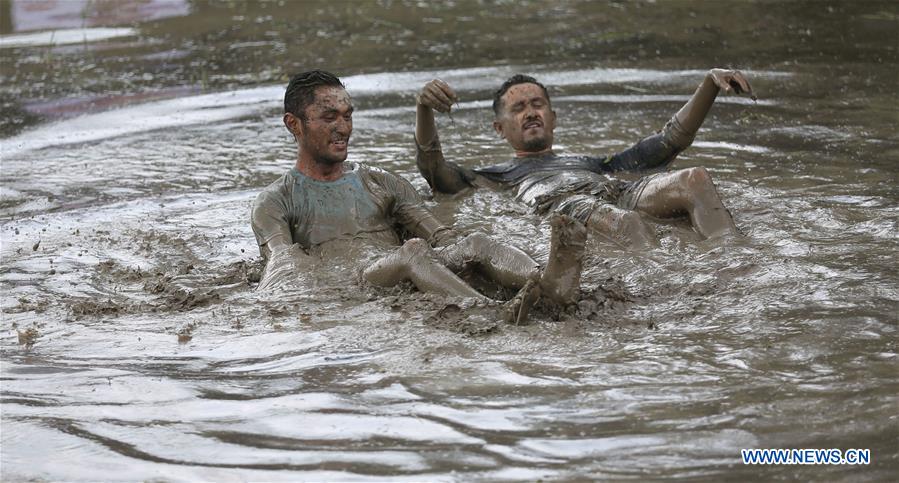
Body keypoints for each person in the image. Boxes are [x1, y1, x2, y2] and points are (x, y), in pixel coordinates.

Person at [250, 70, 585, 323]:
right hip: (355, 281)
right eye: (329, 117)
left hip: (411, 264)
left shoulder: (380, 180)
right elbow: (283, 266)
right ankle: (490, 313)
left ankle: (549, 281)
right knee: (412, 252)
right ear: (294, 125)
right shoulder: (275, 200)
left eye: (347, 115)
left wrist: (467, 257)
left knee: (477, 242)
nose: (343, 127)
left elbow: (440, 235)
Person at [414, 69, 755, 249]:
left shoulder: (598, 163)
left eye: (537, 104)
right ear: (500, 128)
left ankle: (735, 259)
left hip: (614, 188)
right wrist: (424, 108)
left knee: (693, 177)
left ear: (553, 117)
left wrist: (710, 83)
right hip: (562, 202)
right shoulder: (490, 177)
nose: (530, 113)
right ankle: (669, 292)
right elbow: (433, 170)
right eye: (518, 108)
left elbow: (670, 140)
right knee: (626, 223)